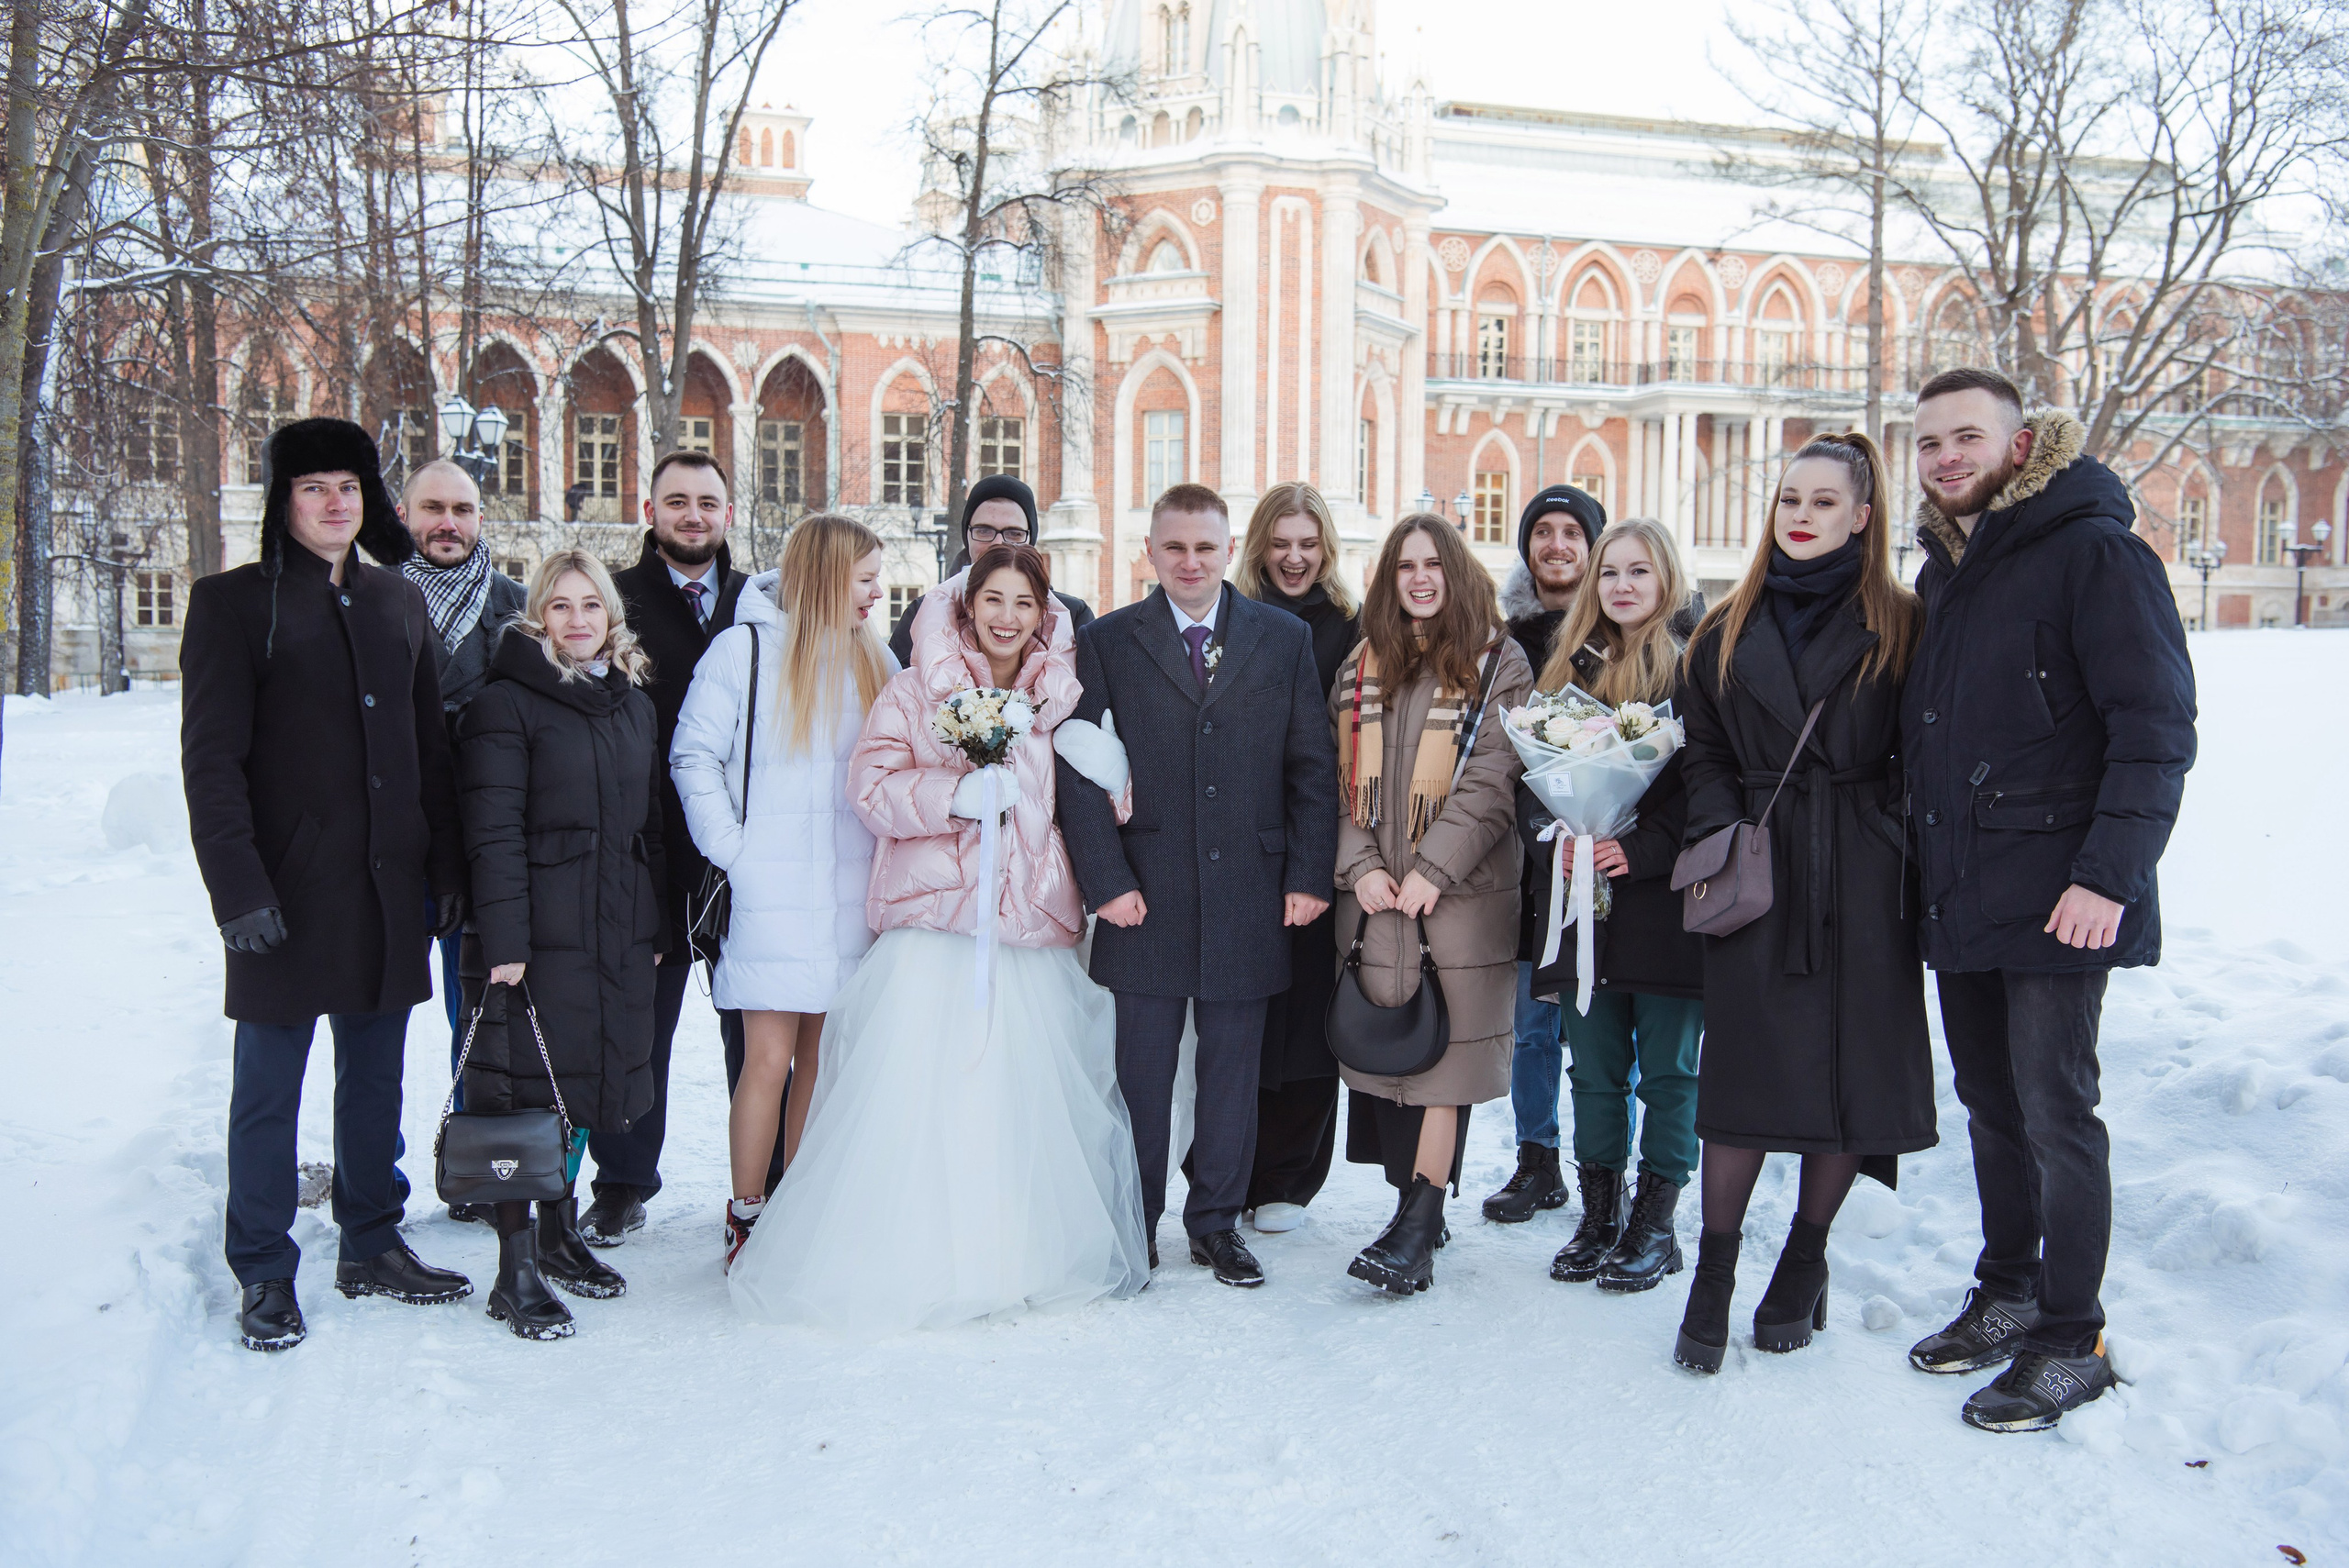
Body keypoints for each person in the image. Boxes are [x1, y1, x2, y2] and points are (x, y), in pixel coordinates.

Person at [729, 544, 1150, 1330]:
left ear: (1044, 613)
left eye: (1024, 603)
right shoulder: (915, 688)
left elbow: (1086, 811)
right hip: (935, 928)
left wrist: (1113, 775)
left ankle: (1014, 1253)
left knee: (1014, 1098)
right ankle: (909, 1254)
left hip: (1025, 930)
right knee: (928, 1095)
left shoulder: (1063, 695)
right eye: (993, 599)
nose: (1007, 617)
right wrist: (954, 794)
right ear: (966, 604)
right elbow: (872, 787)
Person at [1900, 368, 2196, 1432]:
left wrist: (2104, 876)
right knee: (1991, 1106)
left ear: (2022, 446)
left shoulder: (2096, 555)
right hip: (1968, 892)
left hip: (2065, 898)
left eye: (1965, 437)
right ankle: (2009, 1287)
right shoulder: (1946, 574)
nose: (1944, 457)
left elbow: (2155, 729)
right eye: (1928, 442)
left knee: (2057, 1112)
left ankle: (2073, 1338)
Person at [179, 417, 472, 1353]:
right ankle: (264, 1264)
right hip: (283, 891)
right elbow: (211, 762)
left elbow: (430, 752)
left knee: (374, 1075)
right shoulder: (232, 604)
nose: (334, 501)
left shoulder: (397, 603)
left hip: (386, 888)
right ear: (284, 499)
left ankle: (371, 1239)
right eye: (313, 486)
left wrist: (446, 869)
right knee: (269, 1089)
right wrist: (238, 888)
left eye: (347, 485)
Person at [1669, 431, 1933, 1374]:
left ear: (1862, 516)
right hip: (1759, 874)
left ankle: (1804, 1256)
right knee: (1742, 1083)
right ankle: (1712, 1269)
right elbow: (1698, 745)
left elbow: (1926, 745)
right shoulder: (1722, 627)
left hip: (1864, 878)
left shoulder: (1901, 622)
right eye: (1789, 497)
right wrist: (1720, 826)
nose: (1800, 514)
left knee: (1846, 1084)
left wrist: (1893, 836)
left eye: (1824, 501)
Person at [1054, 483, 1339, 1288]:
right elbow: (1077, 766)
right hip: (1146, 893)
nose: (1190, 561)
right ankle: (1134, 1218)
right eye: (1174, 547)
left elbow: (1311, 767)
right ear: (1150, 551)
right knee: (1140, 1074)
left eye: (1205, 548)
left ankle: (1215, 1222)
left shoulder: (1279, 639)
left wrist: (1308, 873)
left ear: (1226, 550)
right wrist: (1105, 879)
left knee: (1232, 1073)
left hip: (1252, 891)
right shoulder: (1107, 640)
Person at [672, 512, 896, 1268]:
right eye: (865, 577)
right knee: (766, 1056)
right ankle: (746, 1212)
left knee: (820, 1058)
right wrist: (736, 852)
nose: (876, 592)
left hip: (849, 888)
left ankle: (796, 1203)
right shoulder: (746, 649)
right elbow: (693, 755)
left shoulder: (873, 656)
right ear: (830, 574)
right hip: (771, 891)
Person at [453, 552, 667, 1339]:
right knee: (522, 1094)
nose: (578, 621)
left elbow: (647, 828)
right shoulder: (504, 704)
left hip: (612, 930)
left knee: (578, 1083)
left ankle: (559, 1230)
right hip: (536, 935)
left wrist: (650, 927)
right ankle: (514, 1271)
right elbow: (492, 830)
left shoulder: (630, 705)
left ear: (611, 617)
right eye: (561, 606)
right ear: (536, 615)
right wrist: (505, 940)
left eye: (592, 606)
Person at [1329, 514, 1533, 1295]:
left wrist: (1433, 869)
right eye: (1405, 565)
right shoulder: (1360, 664)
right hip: (1377, 898)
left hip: (1461, 900)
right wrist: (1362, 865)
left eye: (1433, 564)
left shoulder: (1497, 661)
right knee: (1393, 1056)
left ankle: (1417, 1224)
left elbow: (1492, 780)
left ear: (1456, 570)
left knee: (1447, 1063)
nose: (1420, 578)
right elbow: (1339, 782)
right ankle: (1416, 1205)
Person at [1518, 518, 1707, 1291]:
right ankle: (1600, 1214)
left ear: (1667, 581)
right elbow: (1525, 778)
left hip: (1662, 907)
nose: (1622, 586)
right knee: (1592, 1068)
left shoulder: (1696, 671)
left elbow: (1710, 790)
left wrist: (1644, 848)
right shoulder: (1565, 670)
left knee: (1667, 1071)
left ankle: (1655, 1224)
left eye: (1639, 572)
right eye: (1610, 573)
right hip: (1579, 903)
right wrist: (1556, 836)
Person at [594, 450, 752, 1246]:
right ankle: (623, 1179)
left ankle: (765, 1181)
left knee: (755, 1028)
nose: (694, 515)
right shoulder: (613, 600)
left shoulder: (761, 600)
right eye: (677, 501)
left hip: (738, 849)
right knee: (637, 1026)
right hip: (644, 845)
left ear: (729, 510)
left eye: (708, 501)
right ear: (649, 508)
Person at [1228, 482, 1359, 1234]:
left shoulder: (1352, 627)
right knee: (1245, 1007)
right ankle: (1229, 1163)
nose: (1295, 557)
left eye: (1308, 544)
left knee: (1309, 1010)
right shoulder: (1233, 617)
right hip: (1244, 838)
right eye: (1281, 543)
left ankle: (1290, 1176)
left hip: (1322, 837)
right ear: (1259, 546)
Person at [396, 457, 527, 1184]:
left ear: (481, 518)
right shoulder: (373, 597)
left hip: (481, 841)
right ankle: (376, 1182)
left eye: (463, 509)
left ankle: (478, 1166)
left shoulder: (515, 606)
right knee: (374, 1025)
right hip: (390, 839)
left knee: (478, 1010)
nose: (448, 522)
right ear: (407, 513)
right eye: (433, 507)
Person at [1486, 484, 1599, 1222]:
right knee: (1532, 1025)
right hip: (1530, 865)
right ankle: (1537, 1158)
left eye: (1571, 533)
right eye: (1543, 532)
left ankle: (1604, 1167)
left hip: (1606, 858)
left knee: (1595, 1028)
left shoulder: (1620, 629)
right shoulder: (1503, 642)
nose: (1556, 545)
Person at [887, 475, 1093, 667]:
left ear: (1030, 539)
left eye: (1014, 533)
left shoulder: (1073, 617)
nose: (998, 543)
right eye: (984, 531)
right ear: (967, 536)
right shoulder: (923, 614)